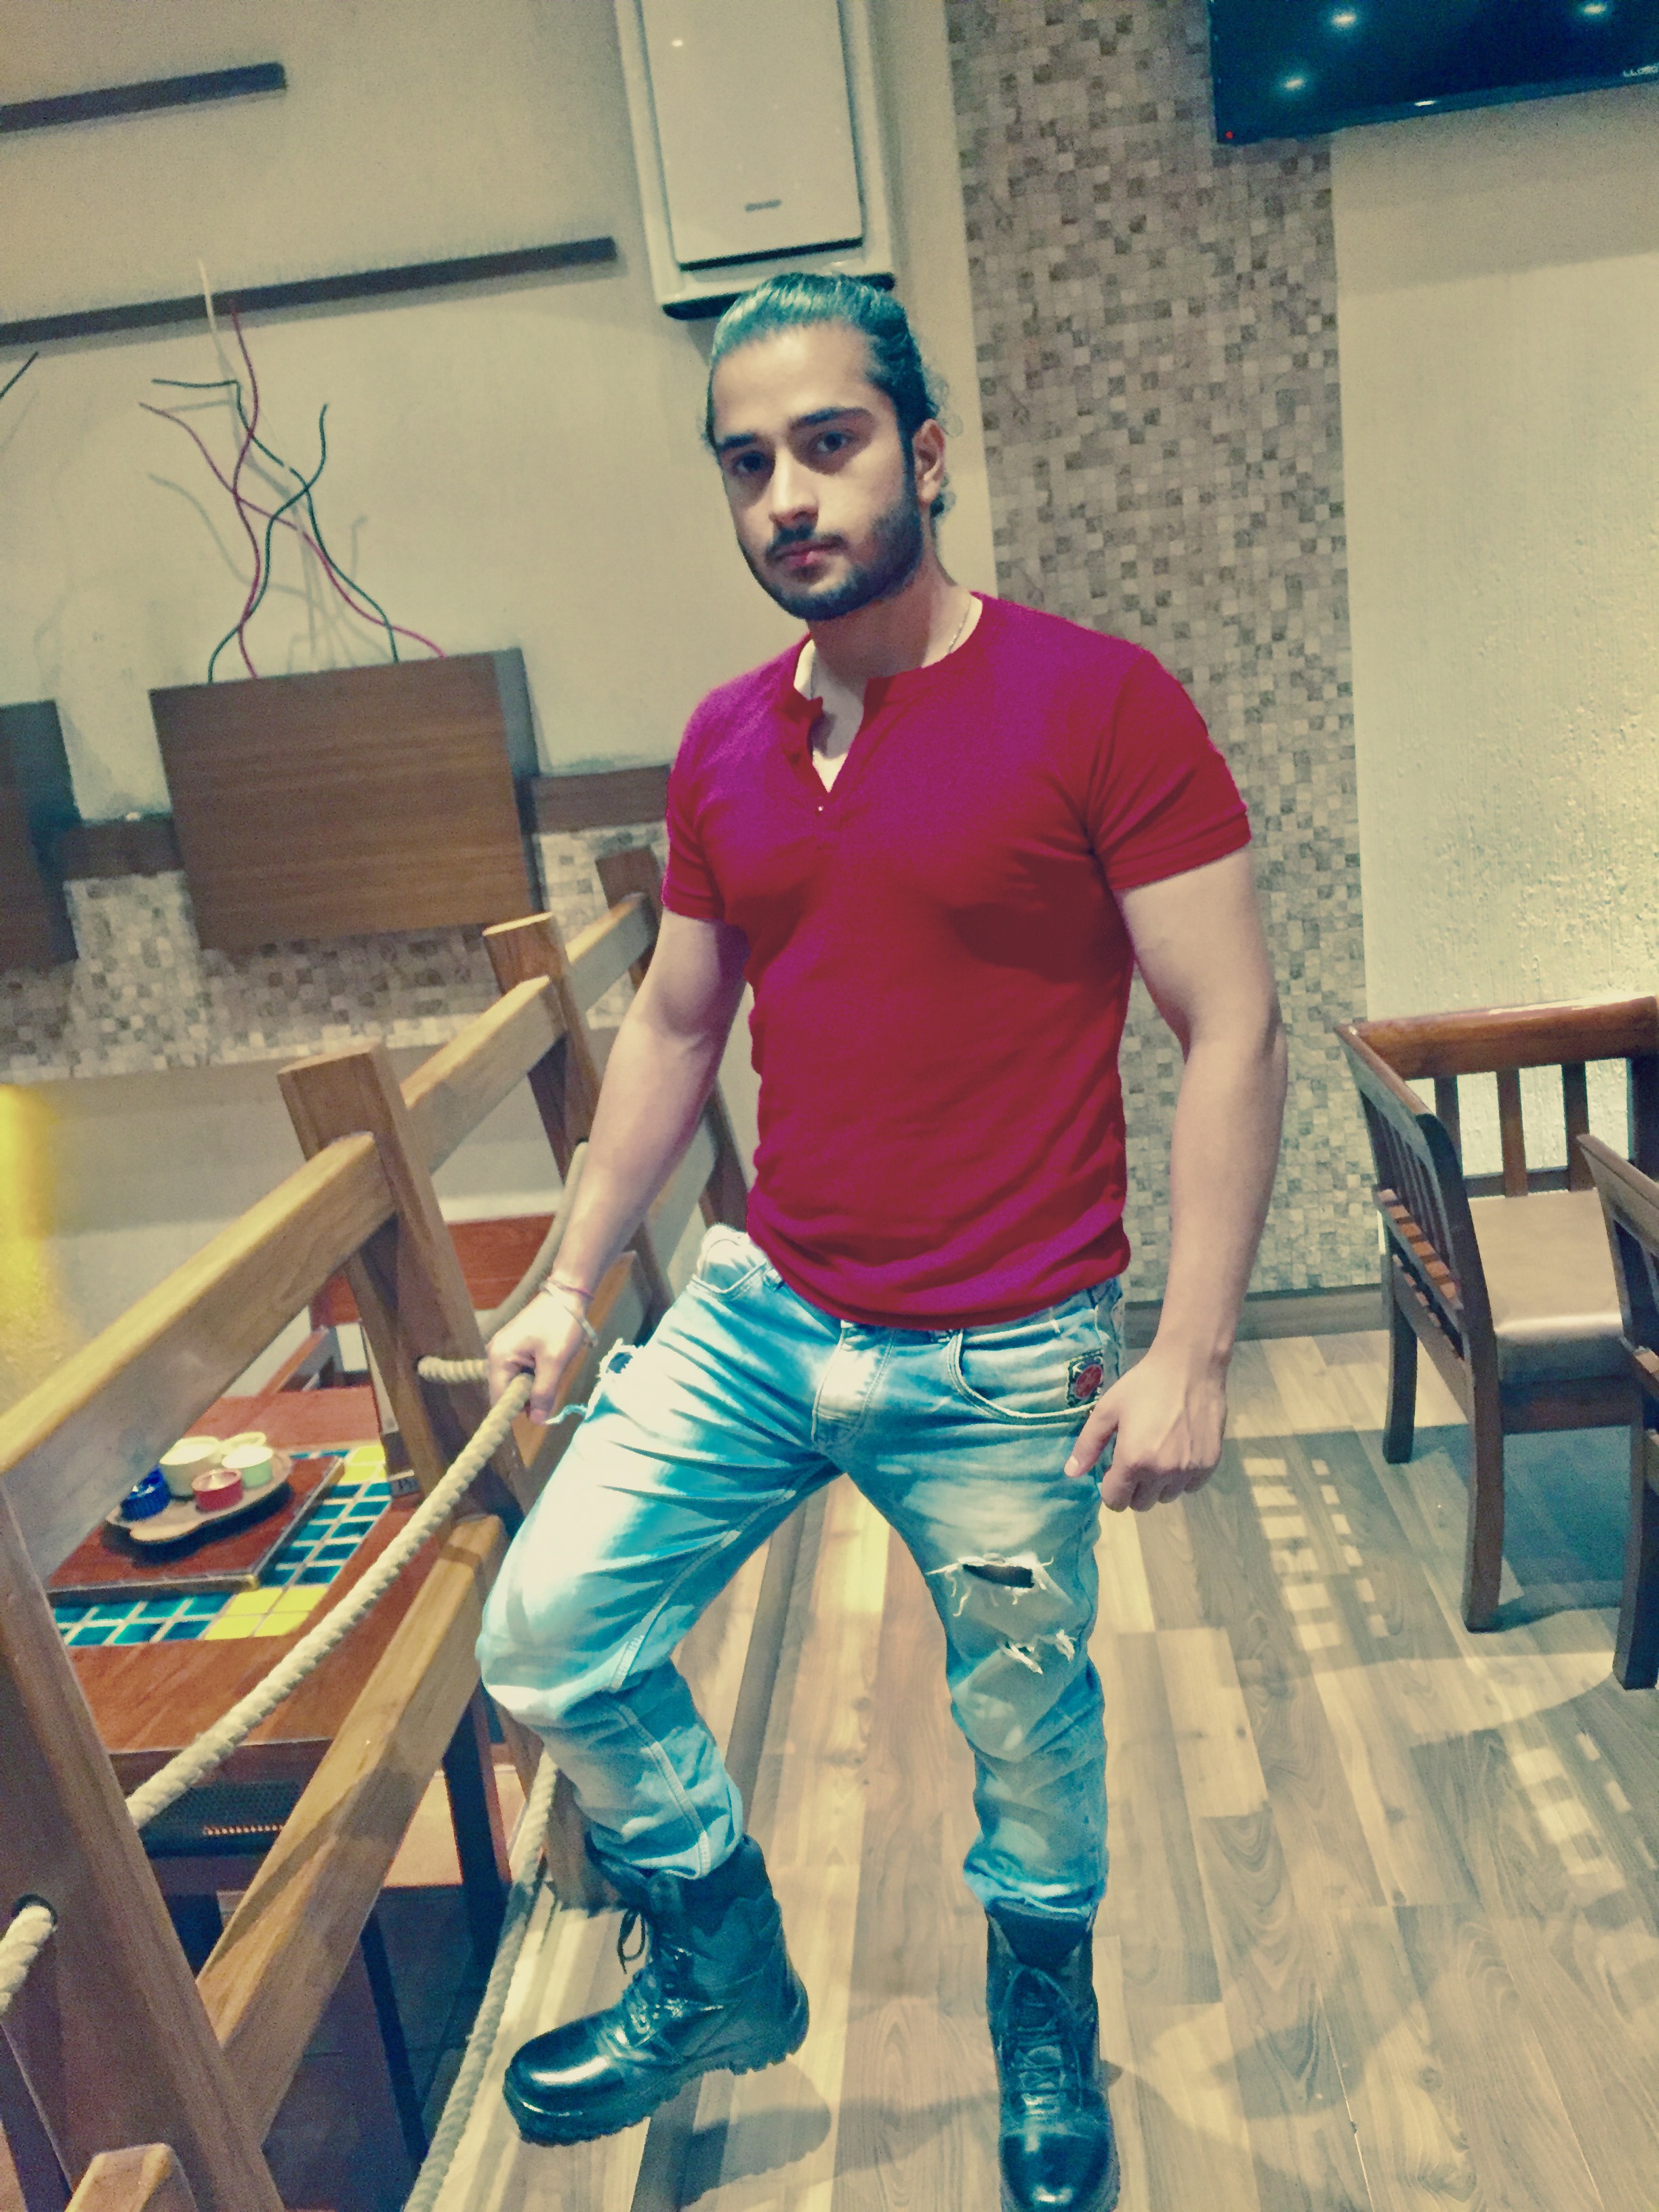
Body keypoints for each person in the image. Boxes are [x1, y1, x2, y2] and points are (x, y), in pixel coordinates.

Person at [477, 272, 1286, 2212]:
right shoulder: (723, 742)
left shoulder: (1098, 701)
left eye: (827, 444)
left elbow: (1233, 1023)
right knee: (546, 1632)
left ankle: (1042, 2017)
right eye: (747, 462)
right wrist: (570, 1282)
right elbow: (676, 1026)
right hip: (773, 1308)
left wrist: (1189, 1352)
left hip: (1010, 1349)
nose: (787, 496)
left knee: (1026, 1727)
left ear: (924, 454)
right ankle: (721, 1957)